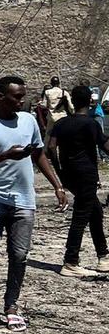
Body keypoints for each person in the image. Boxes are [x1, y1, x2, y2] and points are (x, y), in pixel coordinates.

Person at [0, 76, 67, 332]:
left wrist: (57, 185)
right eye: (17, 96)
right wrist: (6, 155)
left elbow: (39, 153)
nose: (22, 100)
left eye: (23, 95)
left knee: (19, 255)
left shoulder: (29, 121)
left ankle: (11, 306)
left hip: (24, 200)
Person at [47, 85, 109, 277]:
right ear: (90, 101)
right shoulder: (90, 124)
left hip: (69, 174)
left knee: (95, 211)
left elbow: (50, 148)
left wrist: (59, 170)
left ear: (72, 100)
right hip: (86, 174)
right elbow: (105, 146)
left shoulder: (61, 123)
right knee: (81, 216)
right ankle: (71, 261)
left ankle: (103, 256)